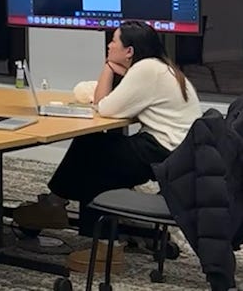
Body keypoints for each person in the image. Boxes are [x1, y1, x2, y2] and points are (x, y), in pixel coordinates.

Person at [14, 21, 202, 256]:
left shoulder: (145, 70)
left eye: (114, 41)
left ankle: (56, 206)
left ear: (129, 51)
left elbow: (103, 107)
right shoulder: (159, 67)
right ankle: (65, 210)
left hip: (163, 152)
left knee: (90, 146)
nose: (109, 46)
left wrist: (108, 69)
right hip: (178, 151)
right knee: (97, 149)